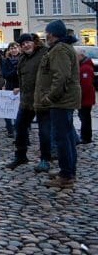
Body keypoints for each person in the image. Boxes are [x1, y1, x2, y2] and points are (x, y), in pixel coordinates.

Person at [37, 20, 81, 188]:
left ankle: (66, 175)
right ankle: (68, 170)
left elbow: (60, 77)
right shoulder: (63, 48)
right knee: (68, 137)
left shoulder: (60, 50)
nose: (46, 36)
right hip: (66, 99)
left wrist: (50, 97)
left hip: (62, 101)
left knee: (62, 138)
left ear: (52, 34)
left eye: (47, 33)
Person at [5, 33, 52, 172]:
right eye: (22, 44)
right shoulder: (22, 59)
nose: (26, 45)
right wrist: (20, 88)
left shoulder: (45, 53)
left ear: (34, 42)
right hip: (26, 100)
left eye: (28, 42)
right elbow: (23, 78)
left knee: (44, 132)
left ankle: (45, 159)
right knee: (19, 127)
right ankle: (20, 156)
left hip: (42, 100)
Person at [1, 42, 21, 137]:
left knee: (19, 110)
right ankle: (10, 129)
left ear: (18, 48)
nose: (13, 50)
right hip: (9, 86)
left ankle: (18, 129)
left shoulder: (22, 59)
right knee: (8, 110)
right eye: (11, 48)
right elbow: (6, 75)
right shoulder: (6, 61)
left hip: (20, 87)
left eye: (15, 48)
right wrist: (15, 71)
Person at [76, 47, 95, 144]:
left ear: (81, 56)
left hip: (85, 98)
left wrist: (79, 96)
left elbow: (85, 85)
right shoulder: (84, 66)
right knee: (84, 117)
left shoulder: (85, 68)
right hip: (85, 98)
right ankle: (85, 136)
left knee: (85, 118)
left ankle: (86, 137)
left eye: (77, 56)